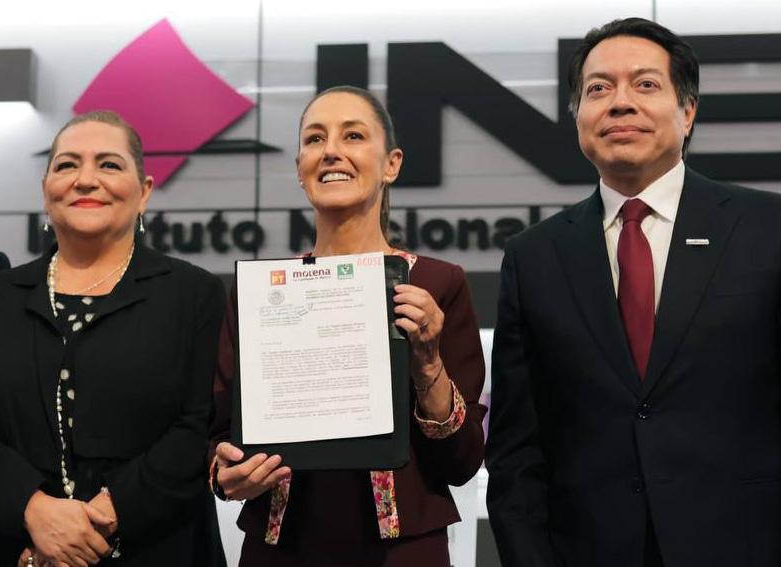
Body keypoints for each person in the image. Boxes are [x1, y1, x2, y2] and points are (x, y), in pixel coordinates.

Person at [485, 17, 781, 567]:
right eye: (598, 89)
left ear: (687, 112)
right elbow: (515, 452)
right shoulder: (535, 257)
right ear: (578, 117)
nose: (620, 103)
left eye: (645, 84)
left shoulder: (767, 229)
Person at [209, 86, 487, 566]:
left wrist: (428, 364)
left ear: (391, 164)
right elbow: (219, 435)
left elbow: (463, 462)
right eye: (314, 139)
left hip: (404, 552)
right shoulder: (260, 295)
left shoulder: (436, 285)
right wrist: (226, 474)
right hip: (280, 551)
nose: (331, 151)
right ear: (299, 169)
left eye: (353, 136)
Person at [0, 111, 226, 566]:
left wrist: (96, 522)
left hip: (160, 548)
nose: (86, 180)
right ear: (46, 189)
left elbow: (199, 427)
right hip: (17, 550)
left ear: (144, 191)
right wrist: (34, 511)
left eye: (109, 164)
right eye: (67, 165)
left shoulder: (195, 294)